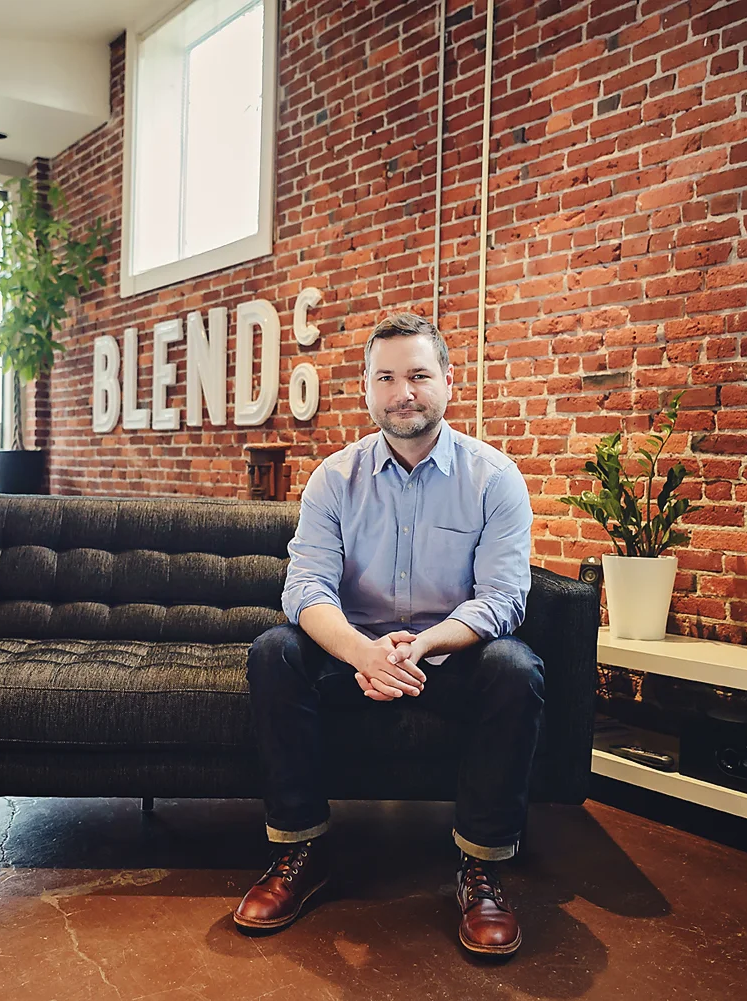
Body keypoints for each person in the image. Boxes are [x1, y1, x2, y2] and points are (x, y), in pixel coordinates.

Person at [233, 311, 543, 956]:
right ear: (367, 390)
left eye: (419, 376)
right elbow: (305, 590)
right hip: (354, 657)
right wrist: (364, 654)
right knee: (273, 652)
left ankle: (482, 867)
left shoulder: (494, 479)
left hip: (449, 657)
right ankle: (301, 851)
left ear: (449, 381)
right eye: (387, 378)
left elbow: (504, 598)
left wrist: (423, 645)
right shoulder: (333, 479)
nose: (405, 392)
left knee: (516, 668)